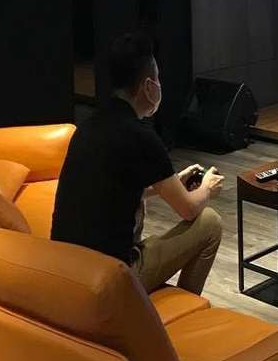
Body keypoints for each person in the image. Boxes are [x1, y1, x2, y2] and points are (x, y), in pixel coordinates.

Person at [52, 33, 224, 296]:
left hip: (65, 268)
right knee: (209, 222)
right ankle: (187, 304)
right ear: (148, 86)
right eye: (158, 80)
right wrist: (208, 187)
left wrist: (171, 183)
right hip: (111, 277)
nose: (160, 86)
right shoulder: (142, 137)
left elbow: (115, 190)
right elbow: (189, 209)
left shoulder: (88, 127)